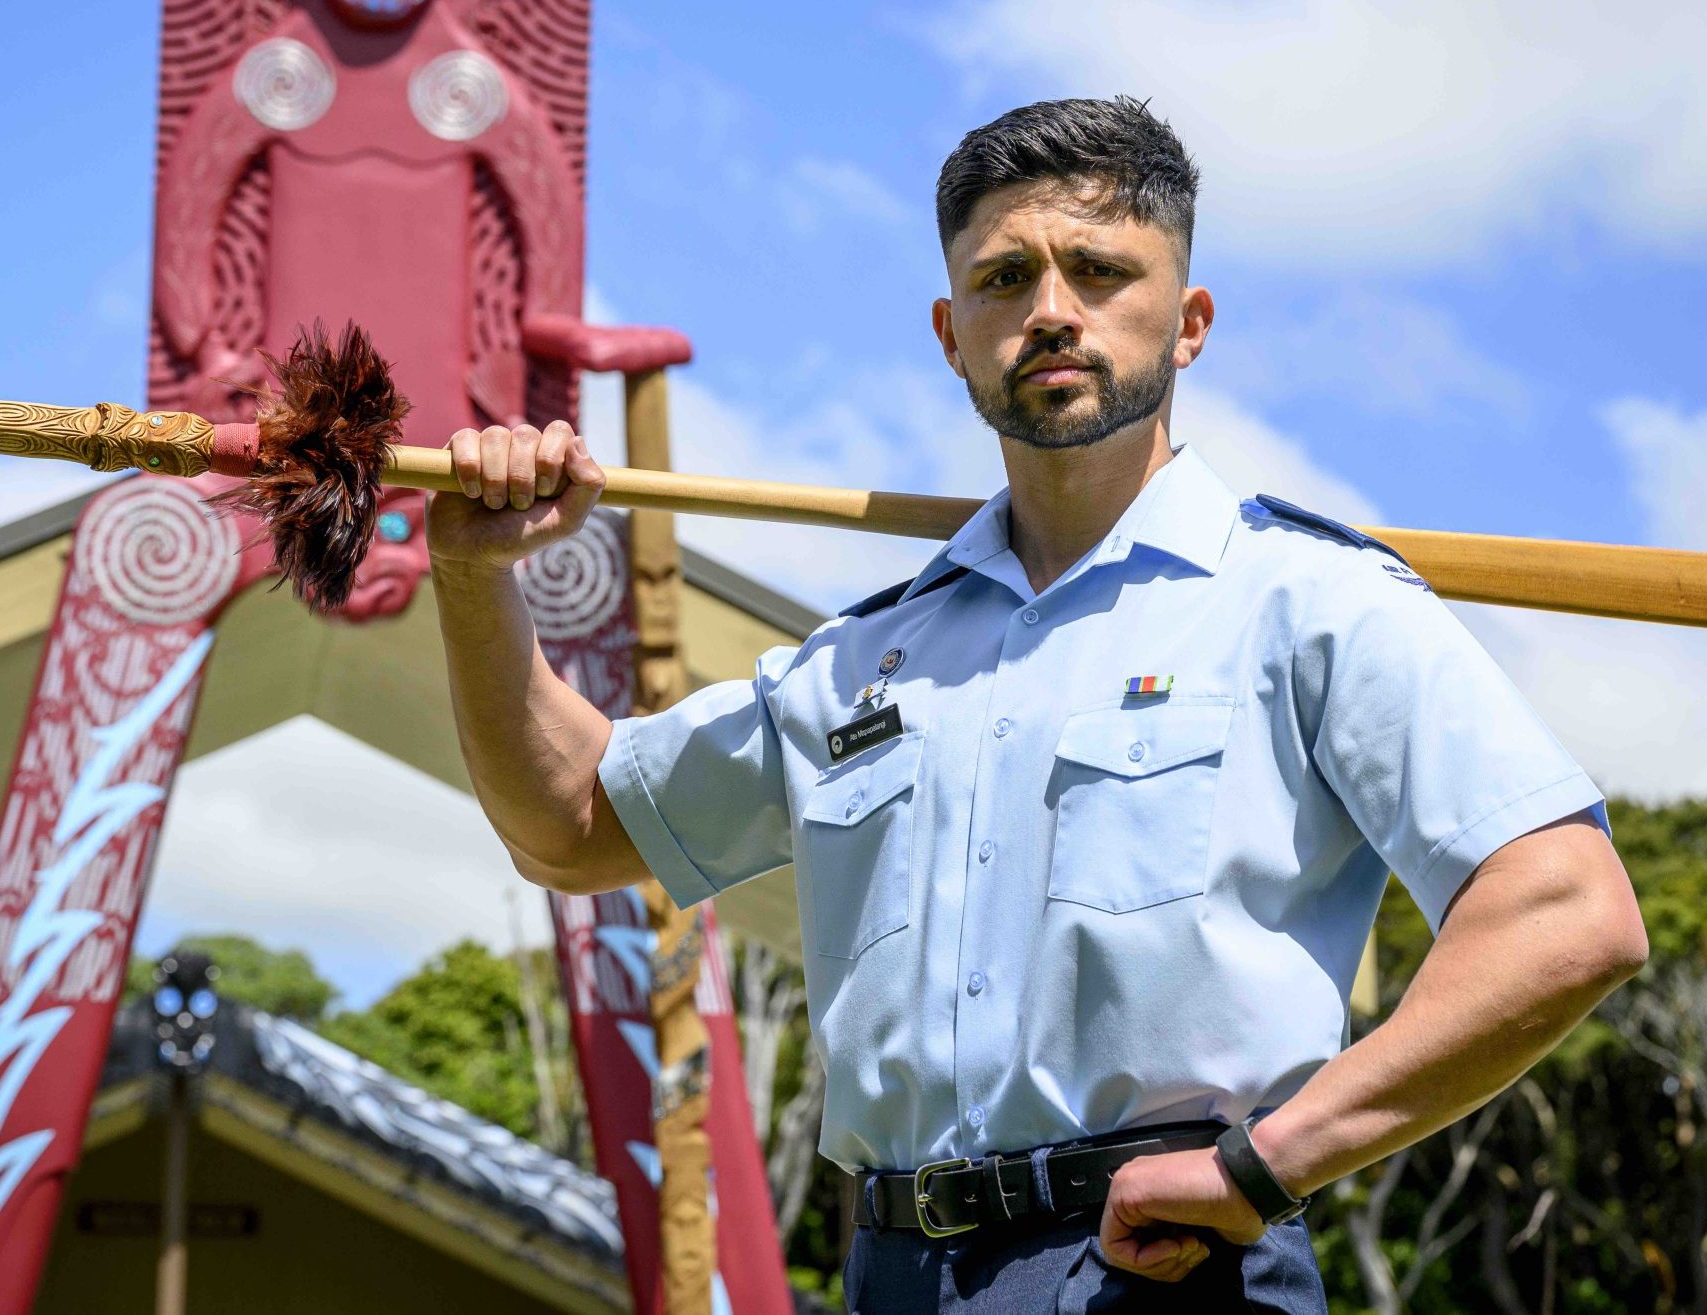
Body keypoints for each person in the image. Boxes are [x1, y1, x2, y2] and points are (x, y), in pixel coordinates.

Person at [425, 97, 1648, 1311]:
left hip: (1167, 1270)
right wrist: (477, 581)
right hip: (889, 1274)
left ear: (1190, 323)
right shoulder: (863, 659)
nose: (1052, 309)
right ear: (954, 335)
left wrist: (1271, 1162)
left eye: (1101, 269)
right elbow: (572, 825)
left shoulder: (1309, 602)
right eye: (1007, 277)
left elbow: (1564, 912)